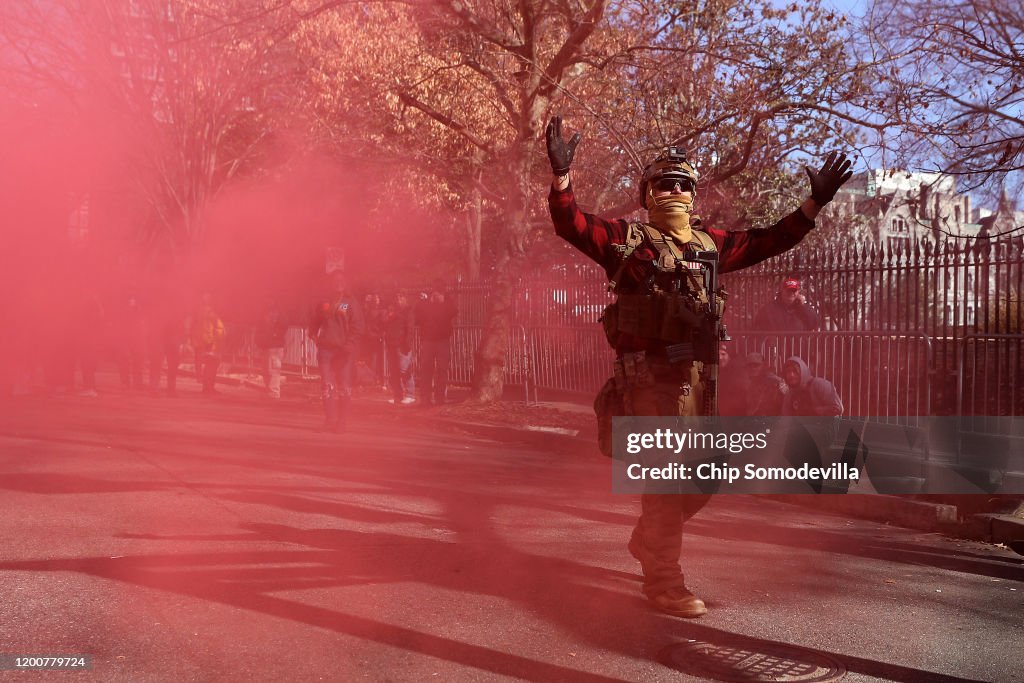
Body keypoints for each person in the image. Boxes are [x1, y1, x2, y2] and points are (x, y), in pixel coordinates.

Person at [545, 115, 852, 618]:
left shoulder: (711, 245)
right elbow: (571, 222)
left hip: (700, 387)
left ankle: (648, 541)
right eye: (665, 184)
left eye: (683, 185)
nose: (675, 192)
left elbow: (771, 240)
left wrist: (813, 204)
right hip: (647, 385)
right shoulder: (627, 240)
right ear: (648, 193)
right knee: (664, 483)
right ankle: (663, 580)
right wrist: (562, 178)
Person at [309, 272, 364, 432]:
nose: (338, 283)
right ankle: (329, 420)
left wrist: (349, 345)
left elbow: (358, 327)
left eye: (341, 280)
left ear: (346, 282)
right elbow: (315, 320)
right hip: (325, 350)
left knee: (344, 386)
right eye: (335, 280)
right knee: (327, 386)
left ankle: (342, 422)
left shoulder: (350, 302)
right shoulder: (325, 301)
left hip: (343, 352)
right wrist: (313, 333)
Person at [416, 279, 457, 407]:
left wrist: (443, 302)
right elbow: (418, 316)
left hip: (442, 340)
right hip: (428, 340)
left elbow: (453, 312)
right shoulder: (426, 301)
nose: (436, 292)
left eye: (439, 290)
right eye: (435, 289)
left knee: (442, 369)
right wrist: (429, 302)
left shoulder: (448, 301)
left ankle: (440, 398)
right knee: (426, 370)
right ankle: (425, 398)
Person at [753, 276, 821, 331]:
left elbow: (814, 323)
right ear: (782, 291)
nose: (791, 293)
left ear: (798, 292)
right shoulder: (769, 309)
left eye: (793, 291)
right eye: (788, 290)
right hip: (777, 346)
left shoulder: (804, 307)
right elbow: (759, 326)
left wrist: (803, 306)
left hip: (798, 346)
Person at [384, 293, 416, 405]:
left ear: (406, 299)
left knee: (405, 370)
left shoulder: (408, 311)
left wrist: (407, 343)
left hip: (402, 345)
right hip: (392, 344)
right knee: (394, 371)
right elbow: (386, 325)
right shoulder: (393, 312)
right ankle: (397, 395)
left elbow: (410, 327)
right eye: (397, 297)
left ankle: (410, 394)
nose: (398, 299)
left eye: (401, 297)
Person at [191, 292, 226, 396]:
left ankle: (209, 388)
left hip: (213, 343)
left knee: (211, 366)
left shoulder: (208, 311)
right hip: (210, 344)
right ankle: (208, 388)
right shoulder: (207, 312)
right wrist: (209, 343)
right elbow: (206, 330)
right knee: (210, 366)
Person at [256, 305, 288, 399]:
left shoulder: (280, 321)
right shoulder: (264, 320)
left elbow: (280, 332)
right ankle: (270, 391)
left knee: (273, 371)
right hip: (267, 347)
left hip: (275, 348)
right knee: (266, 371)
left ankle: (274, 392)